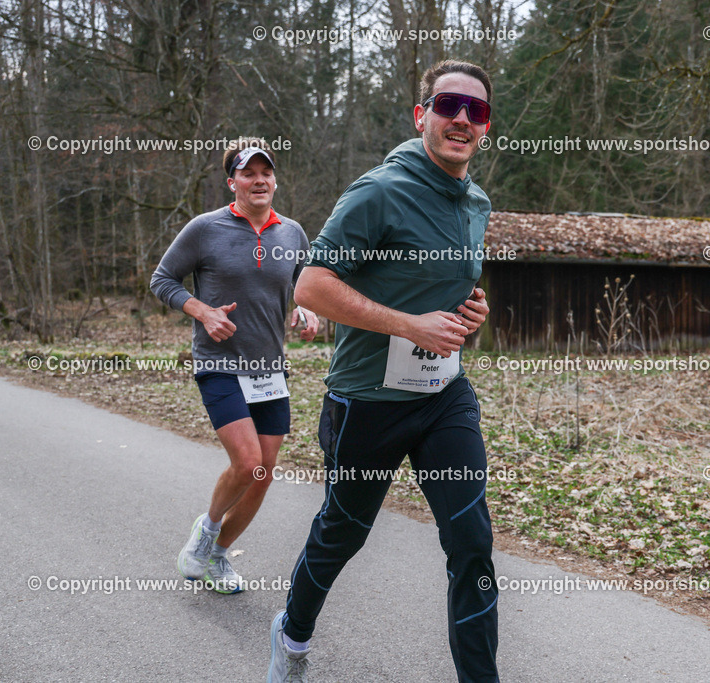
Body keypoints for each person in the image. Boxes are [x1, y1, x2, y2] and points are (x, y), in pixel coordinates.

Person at [267, 60, 498, 682]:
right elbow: (311, 287)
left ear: (485, 128)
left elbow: (446, 285)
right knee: (342, 533)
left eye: (474, 110)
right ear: (422, 115)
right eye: (449, 105)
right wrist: (407, 324)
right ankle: (291, 635)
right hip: (368, 400)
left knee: (472, 541)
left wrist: (469, 309)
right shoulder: (379, 192)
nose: (461, 119)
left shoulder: (476, 201)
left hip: (443, 396)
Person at [151, 138, 320, 593]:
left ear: (275, 180)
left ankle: (219, 557)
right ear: (233, 182)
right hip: (220, 363)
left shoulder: (293, 233)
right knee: (246, 463)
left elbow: (304, 285)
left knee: (264, 473)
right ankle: (204, 533)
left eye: (266, 172)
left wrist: (304, 310)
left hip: (270, 369)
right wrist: (202, 311)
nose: (259, 180)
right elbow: (162, 279)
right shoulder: (205, 229)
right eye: (249, 173)